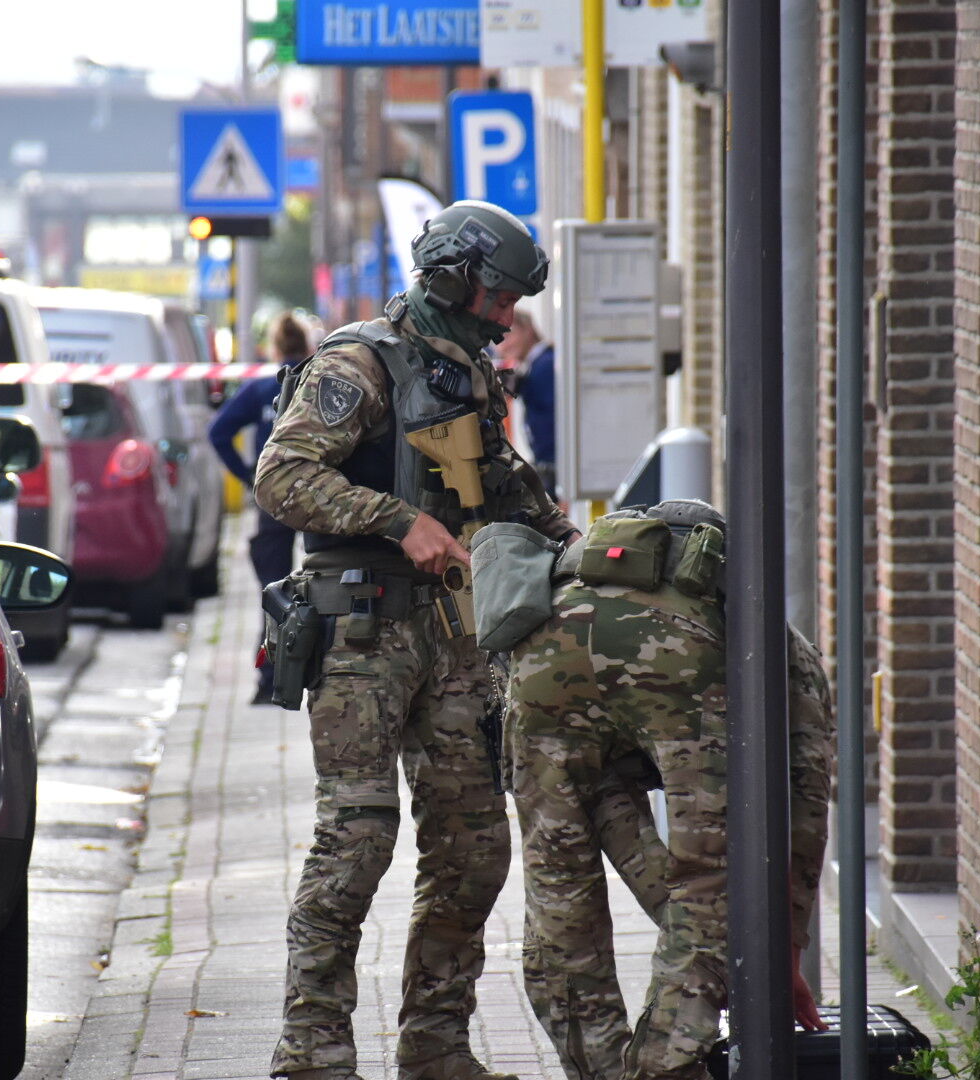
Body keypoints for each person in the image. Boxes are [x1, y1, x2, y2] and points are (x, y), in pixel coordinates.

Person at [255, 200, 582, 1080]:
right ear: (454, 278)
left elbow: (512, 492)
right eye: (500, 297)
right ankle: (313, 1051)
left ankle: (435, 1046)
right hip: (361, 634)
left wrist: (586, 554)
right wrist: (399, 521)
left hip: (454, 638)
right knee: (357, 837)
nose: (508, 317)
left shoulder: (469, 373)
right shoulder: (359, 362)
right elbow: (282, 476)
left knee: (474, 846)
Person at [504, 501, 834, 1080]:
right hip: (676, 659)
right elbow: (803, 806)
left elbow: (605, 805)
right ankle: (662, 1068)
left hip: (543, 652)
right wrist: (782, 951)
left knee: (559, 888)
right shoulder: (775, 639)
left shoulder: (582, 582)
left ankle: (601, 1070)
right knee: (712, 886)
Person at [208, 311, 310, 704]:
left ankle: (270, 680)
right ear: (309, 346)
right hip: (319, 495)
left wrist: (249, 476)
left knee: (275, 593)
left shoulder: (262, 388)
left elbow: (218, 432)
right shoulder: (320, 383)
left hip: (274, 499)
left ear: (275, 348)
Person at [494, 308, 556, 496]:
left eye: (508, 336)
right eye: (497, 341)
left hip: (557, 469)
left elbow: (556, 423)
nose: (502, 347)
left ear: (527, 329)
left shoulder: (545, 365)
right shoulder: (534, 366)